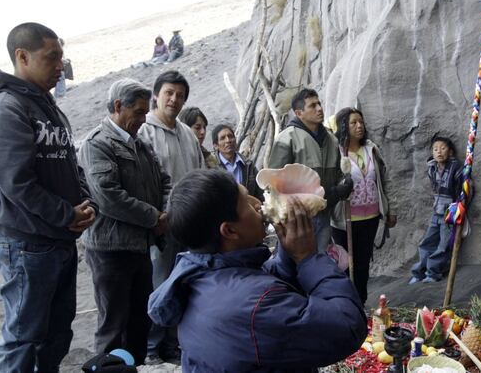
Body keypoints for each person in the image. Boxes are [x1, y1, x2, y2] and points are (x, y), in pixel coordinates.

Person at [148, 169, 367, 371]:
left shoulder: (198, 273)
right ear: (230, 231)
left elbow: (261, 280)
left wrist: (288, 253)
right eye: (246, 201)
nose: (257, 204)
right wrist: (308, 258)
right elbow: (347, 327)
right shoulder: (256, 306)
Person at [0, 22, 97, 371]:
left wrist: (86, 202)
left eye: (62, 56)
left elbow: (68, 162)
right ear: (23, 57)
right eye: (53, 57)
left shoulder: (47, 105)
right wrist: (66, 213)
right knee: (23, 338)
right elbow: (17, 184)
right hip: (28, 247)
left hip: (59, 241)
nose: (61, 65)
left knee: (58, 334)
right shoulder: (5, 109)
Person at [78, 79, 172, 365]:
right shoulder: (97, 144)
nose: (143, 120)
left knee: (138, 324)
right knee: (113, 326)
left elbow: (164, 181)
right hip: (110, 250)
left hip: (139, 247)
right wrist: (154, 217)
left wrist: (165, 212)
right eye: (139, 112)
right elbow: (108, 196)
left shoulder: (139, 144)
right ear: (119, 106)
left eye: (146, 113)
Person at [137, 70, 204, 365]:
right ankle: (151, 347)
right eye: (169, 93)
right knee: (159, 284)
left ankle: (174, 343)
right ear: (156, 95)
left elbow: (200, 173)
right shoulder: (144, 132)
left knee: (185, 282)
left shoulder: (187, 133)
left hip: (189, 223)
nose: (174, 100)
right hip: (160, 224)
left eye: (180, 95)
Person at [267, 88, 353, 254]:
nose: (319, 108)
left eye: (319, 103)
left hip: (324, 216)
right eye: (312, 106)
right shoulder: (287, 139)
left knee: (320, 262)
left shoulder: (331, 139)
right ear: (299, 113)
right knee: (297, 267)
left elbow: (336, 176)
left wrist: (344, 186)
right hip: (296, 221)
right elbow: (274, 185)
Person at [331, 107, 397, 305]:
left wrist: (390, 209)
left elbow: (385, 181)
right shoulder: (336, 152)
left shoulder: (371, 149)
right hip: (344, 220)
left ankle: (360, 302)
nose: (359, 126)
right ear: (344, 126)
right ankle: (344, 303)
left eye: (361, 122)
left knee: (362, 264)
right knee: (344, 264)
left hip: (370, 218)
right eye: (353, 123)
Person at [409, 135, 463, 284]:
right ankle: (419, 273)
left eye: (443, 148)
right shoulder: (432, 168)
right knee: (427, 242)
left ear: (450, 152)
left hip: (450, 213)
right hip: (436, 211)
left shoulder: (456, 168)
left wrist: (458, 207)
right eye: (435, 149)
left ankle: (433, 273)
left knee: (444, 245)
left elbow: (463, 189)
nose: (439, 152)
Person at [211, 123, 263, 201]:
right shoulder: (212, 168)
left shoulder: (248, 165)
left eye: (230, 136)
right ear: (216, 145)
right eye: (222, 138)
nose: (228, 140)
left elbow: (260, 192)